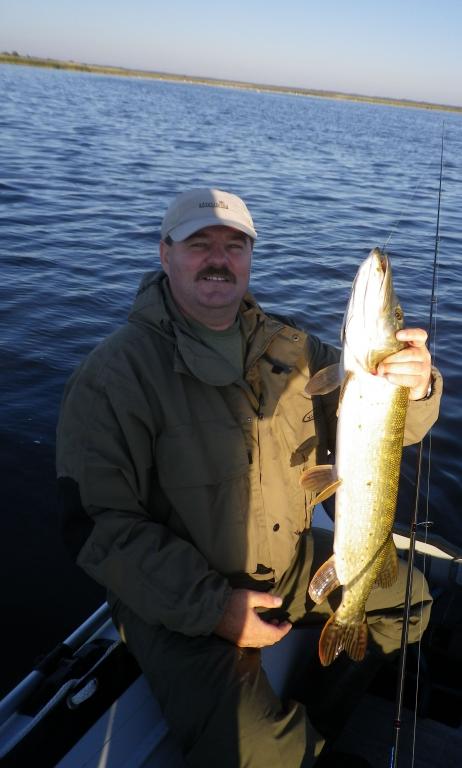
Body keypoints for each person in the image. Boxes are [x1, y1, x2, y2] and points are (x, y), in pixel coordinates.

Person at [56, 188, 442, 768]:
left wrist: (417, 387)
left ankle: (316, 721)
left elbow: (390, 433)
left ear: (250, 258)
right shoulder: (113, 376)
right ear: (164, 255)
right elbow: (96, 527)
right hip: (183, 600)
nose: (219, 258)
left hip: (287, 566)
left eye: (234, 246)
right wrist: (214, 608)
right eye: (199, 244)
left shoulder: (295, 351)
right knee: (262, 752)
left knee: (409, 600)